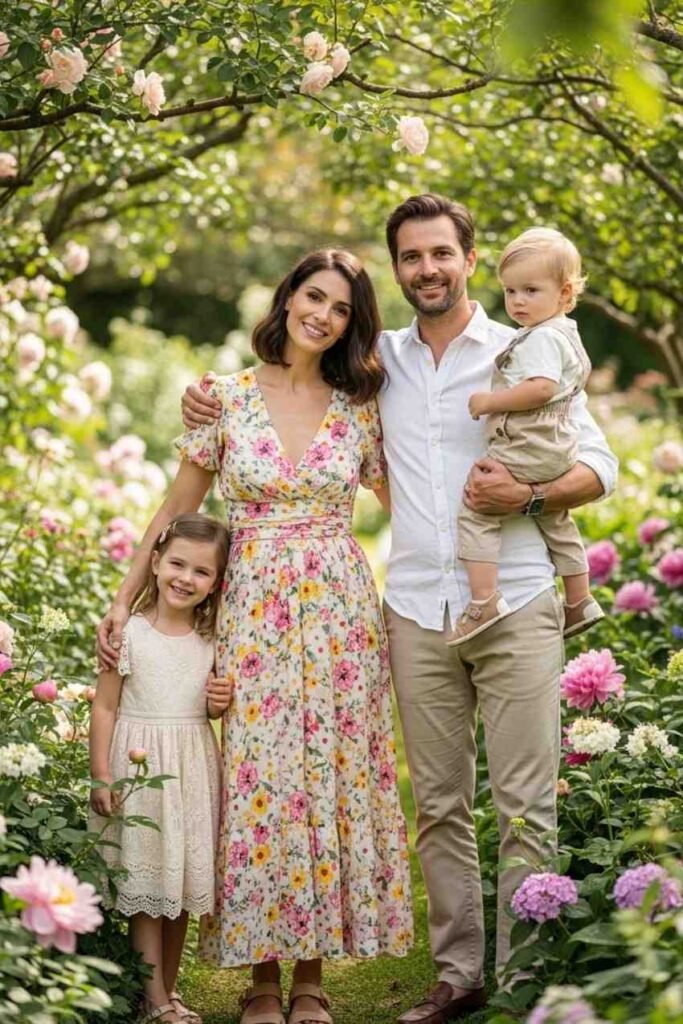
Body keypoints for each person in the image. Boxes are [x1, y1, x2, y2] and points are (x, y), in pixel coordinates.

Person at [181, 196, 617, 1024]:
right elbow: (287, 384)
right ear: (398, 268)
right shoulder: (376, 364)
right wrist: (201, 404)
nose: (427, 269)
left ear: (467, 257)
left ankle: (524, 983)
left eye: (441, 254)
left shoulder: (525, 347)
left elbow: (597, 463)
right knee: (440, 806)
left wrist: (526, 493)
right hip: (416, 608)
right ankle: (457, 976)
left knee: (526, 803)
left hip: (514, 595)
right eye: (411, 257)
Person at [97, 249, 413, 1024]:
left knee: (324, 780)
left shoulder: (360, 404)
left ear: (352, 324)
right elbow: (176, 509)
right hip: (251, 611)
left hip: (338, 612)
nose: (323, 316)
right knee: (258, 785)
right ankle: (261, 979)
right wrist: (123, 597)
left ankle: (311, 979)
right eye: (313, 297)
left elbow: (410, 495)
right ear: (287, 298)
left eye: (340, 309)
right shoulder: (226, 399)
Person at [89, 513, 230, 1024]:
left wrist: (218, 703)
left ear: (216, 583)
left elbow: (208, 706)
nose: (185, 578)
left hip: (192, 772)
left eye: (201, 572)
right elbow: (104, 706)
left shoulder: (213, 638)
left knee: (180, 892)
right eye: (176, 564)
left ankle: (166, 993)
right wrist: (101, 773)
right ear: (154, 562)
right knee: (149, 895)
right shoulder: (128, 634)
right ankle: (154, 999)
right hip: (139, 772)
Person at [447, 227, 604, 646]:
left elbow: (540, 389)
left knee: (477, 509)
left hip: (530, 445)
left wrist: (490, 401)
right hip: (557, 450)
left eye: (530, 290)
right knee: (556, 518)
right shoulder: (566, 332)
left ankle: (484, 600)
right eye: (510, 291)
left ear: (565, 292)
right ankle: (579, 598)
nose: (517, 302)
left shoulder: (542, 339)